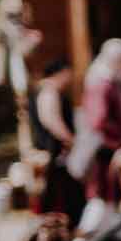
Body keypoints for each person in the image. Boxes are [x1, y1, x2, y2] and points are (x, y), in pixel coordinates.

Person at [74, 38, 121, 236]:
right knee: (99, 202)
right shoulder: (101, 84)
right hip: (103, 151)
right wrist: (120, 140)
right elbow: (98, 120)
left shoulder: (110, 81)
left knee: (108, 203)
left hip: (109, 150)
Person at [30, 59, 84, 226]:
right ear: (61, 73)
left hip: (54, 150)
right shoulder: (49, 92)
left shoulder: (43, 90)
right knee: (60, 194)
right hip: (55, 151)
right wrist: (69, 139)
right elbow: (51, 120)